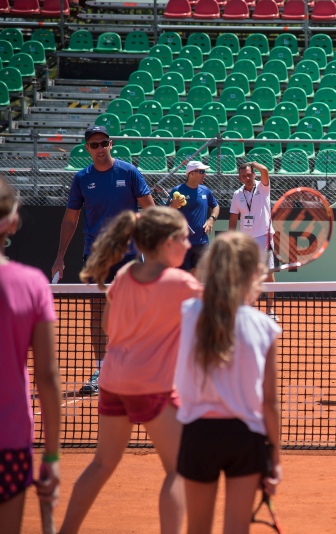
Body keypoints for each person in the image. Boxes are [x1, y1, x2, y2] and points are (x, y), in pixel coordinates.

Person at [59, 207, 202, 534]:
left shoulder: (123, 276)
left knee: (101, 463)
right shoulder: (182, 281)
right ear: (167, 242)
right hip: (152, 387)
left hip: (113, 383)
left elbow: (109, 325)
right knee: (178, 469)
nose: (189, 242)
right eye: (183, 237)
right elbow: (218, 316)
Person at [174, 232, 282, 534]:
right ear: (253, 274)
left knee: (197, 528)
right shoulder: (265, 326)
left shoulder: (187, 313)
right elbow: (270, 403)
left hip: (197, 435)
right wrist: (275, 458)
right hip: (245, 438)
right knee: (237, 528)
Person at [51, 125, 155, 395]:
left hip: (130, 255)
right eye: (94, 145)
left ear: (111, 144)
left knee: (131, 312)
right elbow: (71, 219)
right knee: (98, 313)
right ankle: (101, 369)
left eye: (103, 143)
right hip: (96, 255)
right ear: (87, 149)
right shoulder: (81, 179)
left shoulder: (129, 172)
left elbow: (151, 210)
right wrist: (60, 257)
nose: (100, 149)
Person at [0, 176, 62, 533]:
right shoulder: (33, 285)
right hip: (9, 442)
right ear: (13, 221)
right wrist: (51, 456)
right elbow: (49, 377)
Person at [228, 160, 277, 319]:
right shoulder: (237, 194)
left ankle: (270, 309)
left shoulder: (263, 188)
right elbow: (234, 219)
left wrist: (253, 163)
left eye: (249, 175)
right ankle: (249, 308)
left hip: (264, 236)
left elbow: (265, 171)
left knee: (268, 272)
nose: (247, 178)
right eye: (244, 176)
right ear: (240, 178)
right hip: (246, 240)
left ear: (253, 174)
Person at [168, 160, 220, 277]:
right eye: (201, 171)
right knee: (182, 276)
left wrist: (211, 219)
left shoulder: (206, 191)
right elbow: (167, 215)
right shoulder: (177, 190)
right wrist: (173, 206)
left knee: (199, 275)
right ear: (191, 173)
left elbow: (215, 206)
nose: (204, 174)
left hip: (201, 242)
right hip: (182, 242)